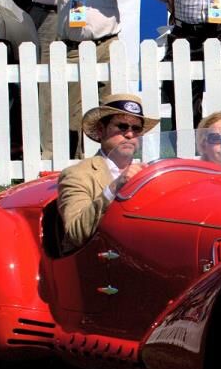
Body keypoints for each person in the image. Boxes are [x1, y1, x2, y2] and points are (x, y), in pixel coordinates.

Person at [41, 0, 137, 156]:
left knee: (111, 108)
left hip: (107, 45)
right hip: (74, 48)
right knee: (74, 113)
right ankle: (76, 161)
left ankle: (111, 160)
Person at [57, 93, 157, 253]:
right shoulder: (77, 175)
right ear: (101, 130)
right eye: (122, 127)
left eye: (136, 129)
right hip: (101, 261)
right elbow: (76, 232)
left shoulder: (150, 173)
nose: (129, 134)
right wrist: (115, 187)